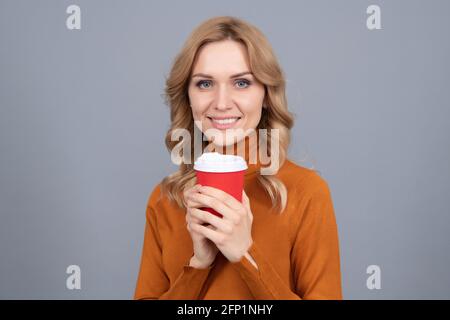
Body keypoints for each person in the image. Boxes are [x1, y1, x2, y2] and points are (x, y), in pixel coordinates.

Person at [134, 16, 343, 300]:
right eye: (205, 84)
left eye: (241, 83)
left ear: (267, 94)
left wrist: (245, 254)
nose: (221, 103)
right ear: (188, 95)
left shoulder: (306, 193)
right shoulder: (165, 199)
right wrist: (198, 265)